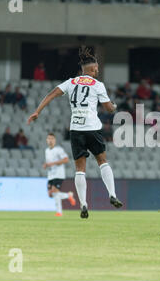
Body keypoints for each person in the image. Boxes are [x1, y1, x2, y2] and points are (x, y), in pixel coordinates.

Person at [27, 46, 123, 219]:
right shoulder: (98, 85)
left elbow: (52, 94)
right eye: (97, 69)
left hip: (76, 130)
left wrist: (37, 111)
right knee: (102, 161)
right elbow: (109, 109)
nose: (97, 71)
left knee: (80, 169)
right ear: (93, 69)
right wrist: (114, 106)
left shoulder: (70, 82)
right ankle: (112, 194)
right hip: (92, 128)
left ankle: (83, 204)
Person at [44, 133, 76, 217]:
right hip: (50, 174)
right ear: (46, 140)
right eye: (49, 139)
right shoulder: (46, 151)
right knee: (50, 194)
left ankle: (59, 212)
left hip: (59, 174)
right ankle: (68, 195)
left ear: (55, 140)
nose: (50, 141)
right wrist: (46, 165)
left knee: (54, 191)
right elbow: (49, 162)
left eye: (52, 139)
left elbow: (66, 159)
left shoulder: (59, 150)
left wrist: (53, 163)